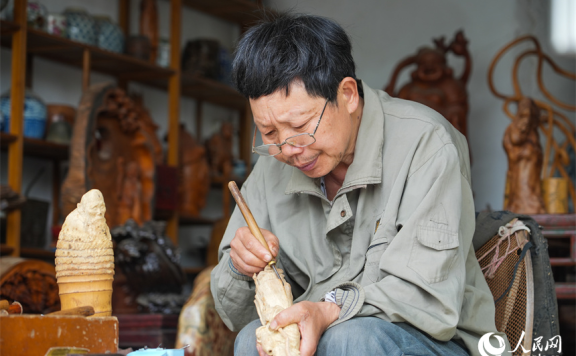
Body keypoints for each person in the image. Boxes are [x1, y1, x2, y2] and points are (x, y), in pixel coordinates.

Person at [210, 13, 509, 356]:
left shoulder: (426, 144)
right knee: (252, 339)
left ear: (348, 95)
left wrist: (329, 310)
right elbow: (236, 315)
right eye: (270, 133)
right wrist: (239, 266)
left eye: (301, 126)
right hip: (326, 343)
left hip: (431, 342)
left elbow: (427, 298)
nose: (289, 149)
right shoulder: (271, 168)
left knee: (352, 339)